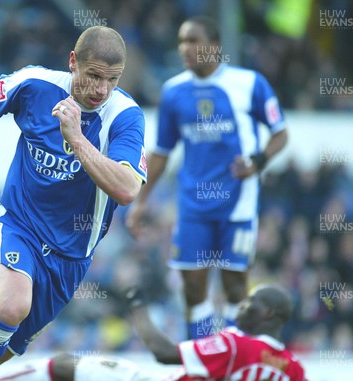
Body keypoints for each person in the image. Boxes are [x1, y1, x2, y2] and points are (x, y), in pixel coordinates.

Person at [0, 25, 147, 381]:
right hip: (19, 226)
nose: (101, 89)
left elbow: (126, 189)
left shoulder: (124, 116)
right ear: (73, 62)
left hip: (71, 258)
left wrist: (76, 138)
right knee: (11, 306)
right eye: (93, 76)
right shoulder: (34, 84)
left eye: (112, 79)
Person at [126, 16, 288, 339]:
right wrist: (141, 200)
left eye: (193, 40)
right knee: (192, 283)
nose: (185, 48)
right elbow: (161, 151)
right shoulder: (173, 92)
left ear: (215, 46)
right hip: (193, 204)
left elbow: (280, 134)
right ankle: (203, 356)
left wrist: (258, 161)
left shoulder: (249, 84)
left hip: (237, 201)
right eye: (182, 41)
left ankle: (234, 353)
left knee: (234, 285)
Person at [0, 284, 306, 381]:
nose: (242, 306)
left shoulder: (238, 345)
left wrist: (138, 308)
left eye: (250, 302)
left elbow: (166, 353)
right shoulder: (294, 369)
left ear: (266, 313)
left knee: (63, 366)